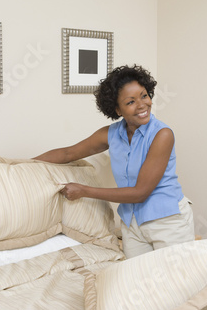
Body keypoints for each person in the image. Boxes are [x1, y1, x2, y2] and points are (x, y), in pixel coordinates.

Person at [34, 65, 195, 259]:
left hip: (168, 222)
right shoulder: (111, 134)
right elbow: (69, 153)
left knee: (177, 284)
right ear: (117, 109)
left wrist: (84, 191)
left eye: (144, 96)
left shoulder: (162, 135)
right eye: (131, 102)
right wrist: (21, 164)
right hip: (131, 223)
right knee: (137, 282)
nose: (142, 105)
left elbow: (140, 192)